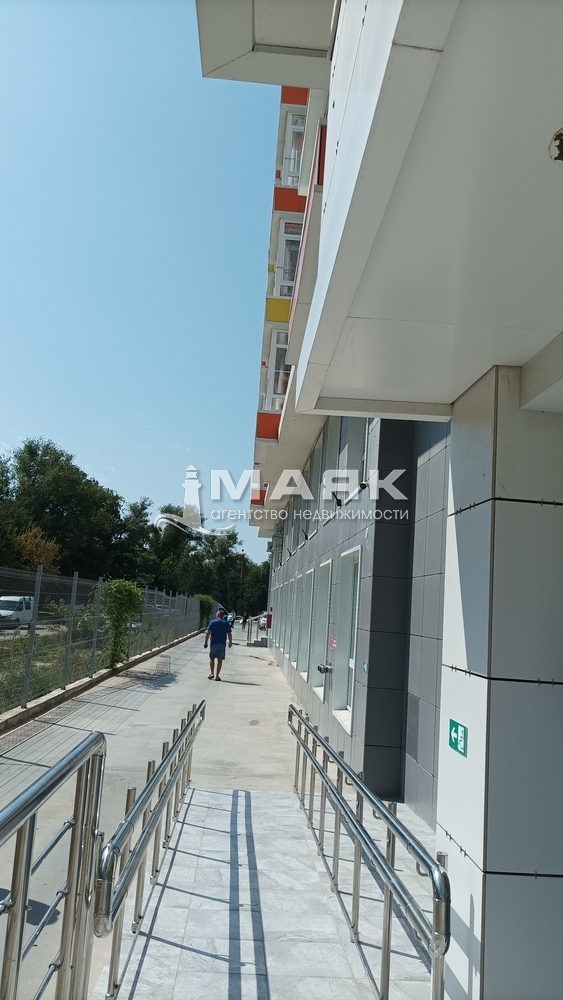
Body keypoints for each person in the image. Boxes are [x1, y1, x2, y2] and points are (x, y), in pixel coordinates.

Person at [203, 609, 232, 681]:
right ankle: (217, 676)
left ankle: (212, 673)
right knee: (220, 660)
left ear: (218, 615)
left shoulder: (212, 622)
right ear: (223, 616)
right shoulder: (226, 624)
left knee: (212, 658)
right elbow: (229, 633)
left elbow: (208, 633)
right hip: (222, 644)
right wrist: (230, 642)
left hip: (214, 643)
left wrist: (205, 642)